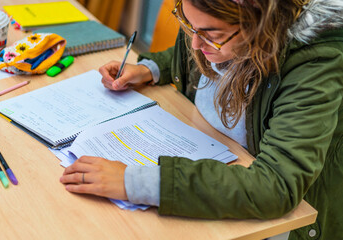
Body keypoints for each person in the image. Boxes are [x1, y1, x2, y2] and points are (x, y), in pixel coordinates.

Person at [60, 0, 343, 239]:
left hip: (275, 220)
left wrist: (136, 182)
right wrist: (152, 68)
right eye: (188, 24)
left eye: (210, 34)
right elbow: (192, 51)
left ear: (261, 25)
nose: (196, 42)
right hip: (210, 151)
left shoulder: (314, 63)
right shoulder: (209, 27)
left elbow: (276, 187)